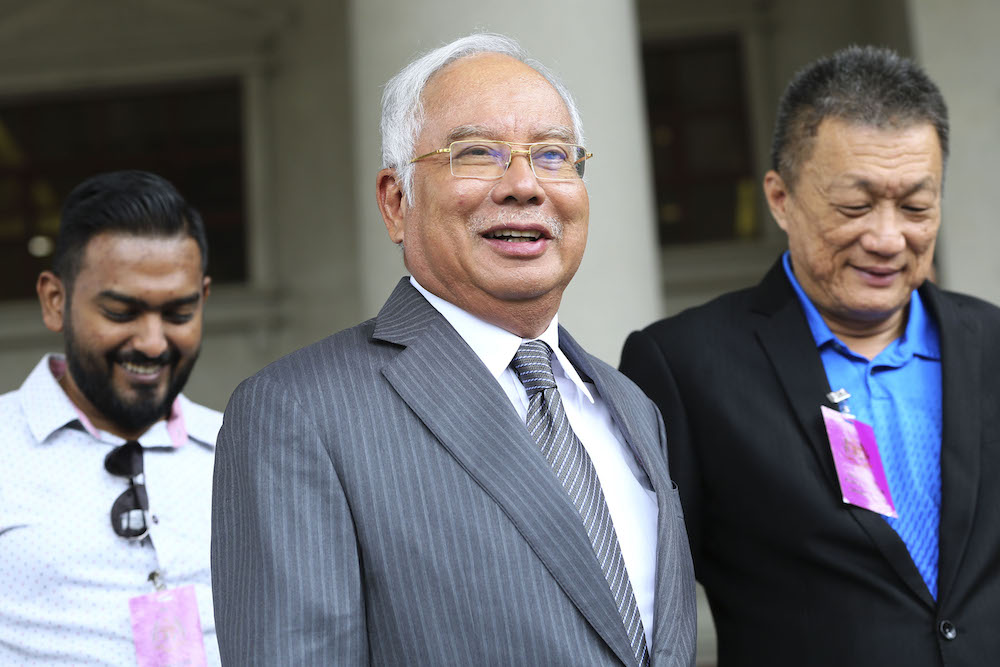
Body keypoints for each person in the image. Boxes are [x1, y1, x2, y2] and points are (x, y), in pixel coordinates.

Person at [211, 33, 695, 666]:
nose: (524, 185)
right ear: (396, 202)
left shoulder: (630, 406)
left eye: (553, 154)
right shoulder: (300, 413)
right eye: (476, 153)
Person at [620, 45, 1000, 666]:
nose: (887, 238)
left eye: (915, 207)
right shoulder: (687, 366)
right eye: (854, 206)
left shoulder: (993, 345)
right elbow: (640, 603)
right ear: (781, 198)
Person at [0, 170, 221, 665]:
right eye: (121, 312)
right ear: (55, 301)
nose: (152, 343)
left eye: (179, 314)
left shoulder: (244, 450)